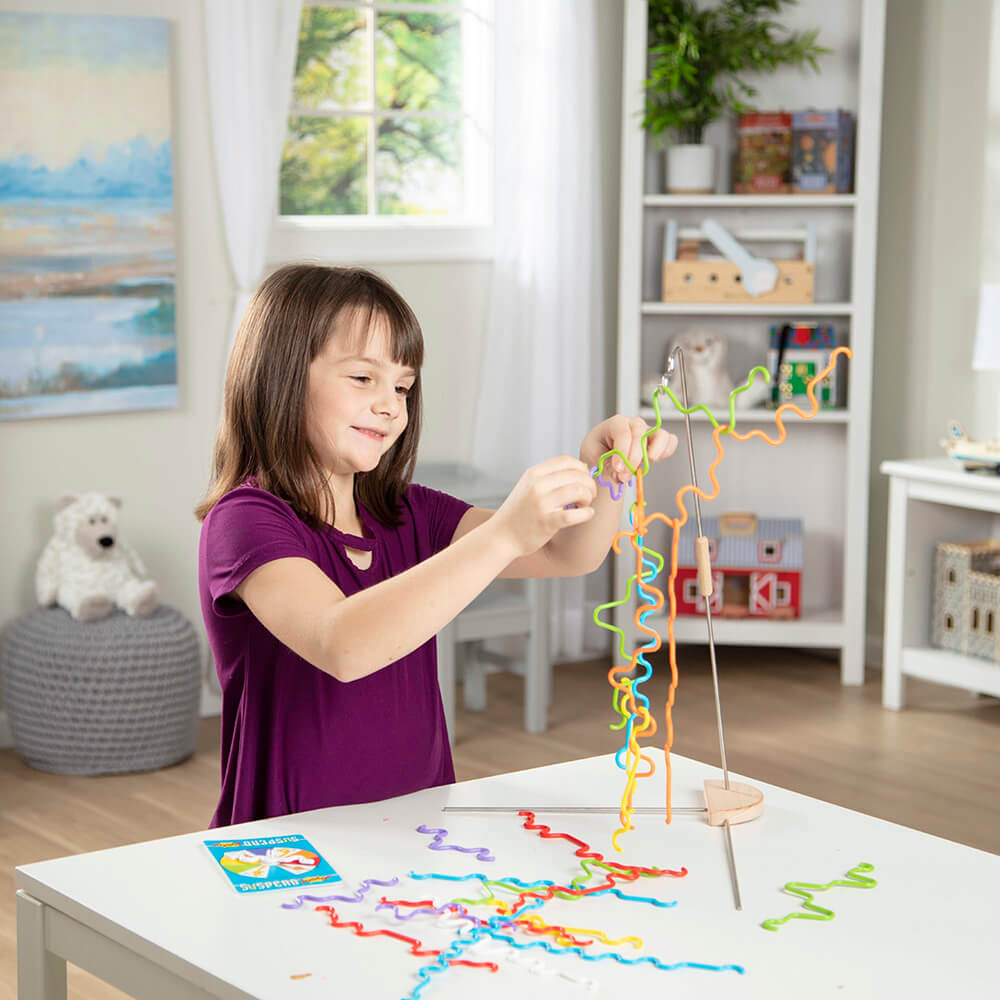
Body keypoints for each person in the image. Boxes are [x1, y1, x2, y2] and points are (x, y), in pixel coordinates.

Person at [195, 263, 677, 826]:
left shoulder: (408, 512)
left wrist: (608, 473)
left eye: (402, 385)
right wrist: (502, 534)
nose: (391, 405)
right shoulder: (246, 520)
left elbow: (566, 554)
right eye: (362, 379)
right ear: (280, 374)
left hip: (419, 825)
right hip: (289, 841)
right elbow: (342, 645)